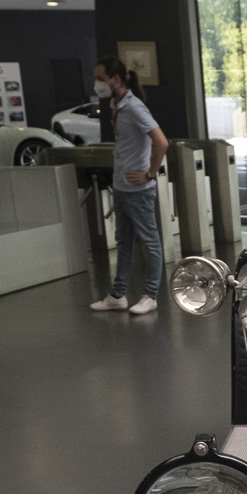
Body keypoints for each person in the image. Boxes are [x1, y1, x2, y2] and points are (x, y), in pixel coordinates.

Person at [88, 56, 169, 315]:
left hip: (138, 191)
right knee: (123, 241)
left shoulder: (134, 107)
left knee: (150, 242)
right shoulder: (118, 106)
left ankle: (151, 295)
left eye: (101, 78)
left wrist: (150, 173)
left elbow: (161, 141)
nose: (97, 83)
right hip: (122, 188)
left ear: (116, 80)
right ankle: (118, 295)